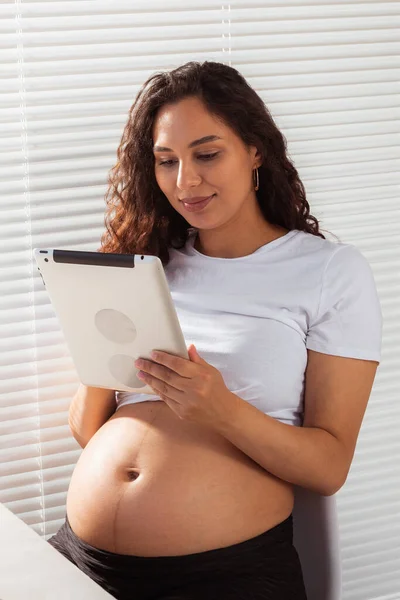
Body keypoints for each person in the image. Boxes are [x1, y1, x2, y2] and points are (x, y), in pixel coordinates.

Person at [47, 61, 382, 600]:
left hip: (222, 575)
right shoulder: (149, 262)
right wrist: (100, 343)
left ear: (255, 151)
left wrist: (220, 408)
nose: (186, 181)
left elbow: (328, 467)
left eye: (207, 154)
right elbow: (92, 432)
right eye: (166, 161)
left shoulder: (329, 272)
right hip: (81, 561)